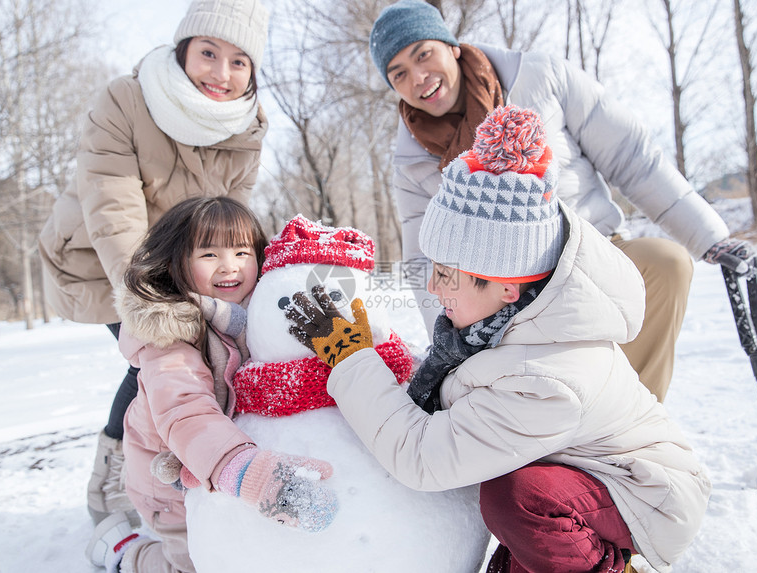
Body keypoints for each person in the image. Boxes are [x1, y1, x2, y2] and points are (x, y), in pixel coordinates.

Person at [285, 106, 711, 573]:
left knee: (517, 501)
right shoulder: (510, 317)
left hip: (643, 495)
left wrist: (353, 361)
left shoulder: (549, 377)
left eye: (448, 276)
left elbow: (424, 457)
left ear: (507, 286)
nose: (432, 288)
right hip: (580, 472)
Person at [367, 0, 757, 402]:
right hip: (504, 292)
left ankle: (633, 416)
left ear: (452, 46)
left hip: (594, 253)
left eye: (423, 54)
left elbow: (631, 156)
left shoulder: (541, 76)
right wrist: (449, 338)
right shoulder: (411, 161)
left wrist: (709, 237)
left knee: (666, 263)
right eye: (399, 74)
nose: (419, 77)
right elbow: (421, 254)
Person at [37, 0, 270, 530]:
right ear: (184, 49)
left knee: (215, 346)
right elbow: (112, 211)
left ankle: (180, 453)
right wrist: (148, 297)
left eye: (239, 62)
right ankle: (115, 467)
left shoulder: (247, 125)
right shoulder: (126, 99)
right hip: (102, 260)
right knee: (156, 355)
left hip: (185, 260)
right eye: (208, 53)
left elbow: (231, 213)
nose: (221, 73)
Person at [86, 197, 338, 573]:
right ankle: (124, 553)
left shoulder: (256, 310)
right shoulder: (168, 336)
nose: (229, 266)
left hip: (221, 460)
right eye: (208, 254)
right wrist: (249, 473)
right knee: (195, 564)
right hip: (170, 482)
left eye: (241, 251)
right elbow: (187, 412)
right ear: (175, 263)